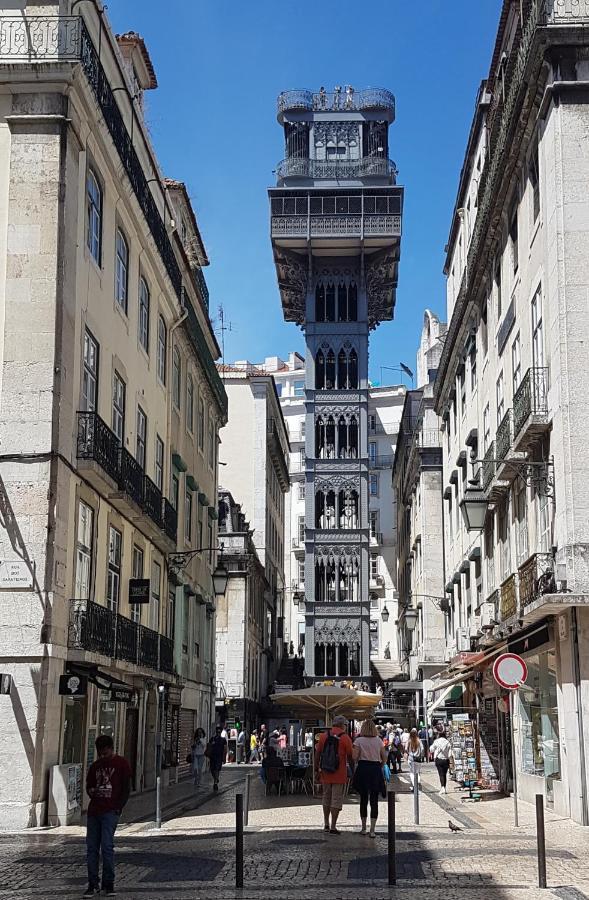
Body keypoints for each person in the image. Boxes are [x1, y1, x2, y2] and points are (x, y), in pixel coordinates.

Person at [84, 734, 131, 897]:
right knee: (91, 849)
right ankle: (92, 883)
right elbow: (89, 785)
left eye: (105, 753)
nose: (103, 757)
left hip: (110, 811)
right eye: (101, 754)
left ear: (111, 748)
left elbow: (126, 788)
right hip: (94, 811)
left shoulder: (122, 764)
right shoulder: (95, 766)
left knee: (107, 847)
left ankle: (108, 883)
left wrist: (118, 808)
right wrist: (91, 791)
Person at [314, 715, 354, 835]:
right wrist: (353, 770)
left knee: (326, 797)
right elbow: (350, 757)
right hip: (339, 773)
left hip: (325, 771)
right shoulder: (346, 738)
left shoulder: (324, 736)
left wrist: (316, 769)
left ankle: (326, 823)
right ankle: (333, 826)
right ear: (343, 725)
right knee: (336, 799)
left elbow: (318, 754)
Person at [352, 719, 387, 838]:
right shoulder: (379, 741)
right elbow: (384, 758)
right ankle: (372, 829)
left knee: (363, 799)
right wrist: (379, 766)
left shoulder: (358, 741)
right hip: (375, 770)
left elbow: (354, 757)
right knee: (374, 800)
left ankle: (363, 828)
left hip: (363, 769)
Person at [431, 730, 453, 794]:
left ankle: (442, 787)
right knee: (444, 774)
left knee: (440, 774)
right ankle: (444, 788)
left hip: (439, 759)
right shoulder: (447, 742)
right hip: (446, 760)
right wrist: (450, 761)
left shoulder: (436, 741)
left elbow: (431, 749)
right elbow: (450, 754)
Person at [208, 725, 227, 791]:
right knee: (212, 770)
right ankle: (216, 778)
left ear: (221, 732)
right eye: (217, 731)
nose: (218, 733)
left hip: (219, 756)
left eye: (219, 732)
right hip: (212, 756)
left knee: (217, 769)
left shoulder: (223, 740)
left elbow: (225, 749)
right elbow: (209, 747)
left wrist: (224, 758)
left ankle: (215, 783)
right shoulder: (212, 739)